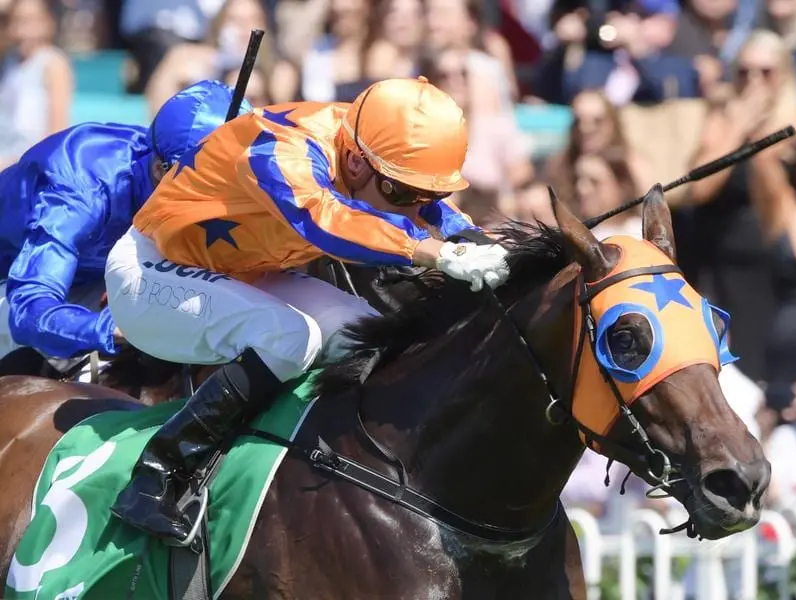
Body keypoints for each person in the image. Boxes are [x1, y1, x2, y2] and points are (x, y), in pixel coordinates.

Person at [105, 75, 510, 544]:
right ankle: (158, 473)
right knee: (290, 336)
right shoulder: (282, 149)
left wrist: (483, 246)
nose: (419, 209)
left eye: (430, 196)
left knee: (368, 331)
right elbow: (322, 219)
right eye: (403, 195)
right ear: (356, 163)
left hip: (242, 272)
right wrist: (436, 254)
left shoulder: (373, 147)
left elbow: (433, 214)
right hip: (150, 273)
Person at [0, 79, 251, 375]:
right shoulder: (79, 192)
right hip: (16, 287)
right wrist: (112, 330)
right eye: (206, 187)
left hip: (95, 277)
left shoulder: (171, 160)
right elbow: (29, 312)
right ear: (160, 169)